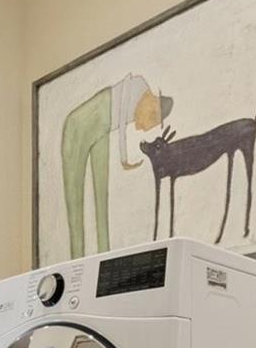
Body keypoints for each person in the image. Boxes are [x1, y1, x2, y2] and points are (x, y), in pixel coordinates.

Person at [60, 73, 172, 258]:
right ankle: (76, 259)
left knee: (101, 196)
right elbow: (120, 118)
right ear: (153, 103)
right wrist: (124, 158)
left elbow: (120, 125)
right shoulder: (138, 84)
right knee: (75, 198)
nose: (141, 127)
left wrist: (123, 159)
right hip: (78, 126)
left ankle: (103, 259)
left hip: (102, 129)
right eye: (150, 121)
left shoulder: (140, 103)